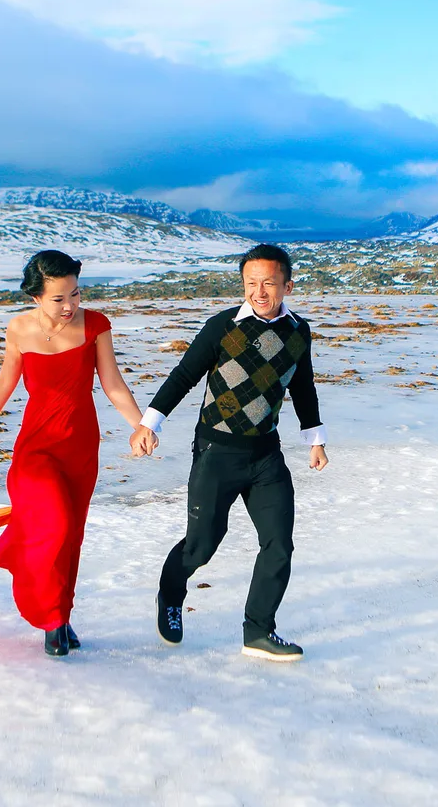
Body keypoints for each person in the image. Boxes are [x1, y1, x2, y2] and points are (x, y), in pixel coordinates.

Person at [130, 243, 328, 662]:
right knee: (202, 545)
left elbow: (303, 386)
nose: (259, 291)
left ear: (287, 285)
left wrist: (315, 439)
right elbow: (184, 375)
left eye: (269, 283)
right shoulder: (223, 326)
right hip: (217, 451)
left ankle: (258, 631)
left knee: (279, 544)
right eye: (251, 283)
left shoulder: (299, 331)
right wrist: (150, 423)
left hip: (266, 456)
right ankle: (170, 594)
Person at [0, 249, 148, 657]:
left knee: (71, 537)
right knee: (55, 525)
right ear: (36, 297)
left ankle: (61, 617)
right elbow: (5, 383)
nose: (70, 306)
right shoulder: (18, 330)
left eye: (75, 295)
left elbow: (112, 383)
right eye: (59, 298)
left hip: (80, 444)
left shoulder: (96, 325)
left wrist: (140, 424)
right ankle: (48, 616)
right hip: (35, 447)